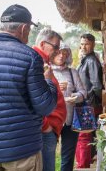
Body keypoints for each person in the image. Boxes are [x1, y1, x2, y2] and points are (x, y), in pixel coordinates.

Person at [0, 4, 58, 171]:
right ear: (23, 28)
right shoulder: (29, 57)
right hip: (21, 151)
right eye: (29, 29)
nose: (29, 34)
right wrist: (49, 81)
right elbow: (45, 107)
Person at [33, 28, 67, 171]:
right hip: (46, 131)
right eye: (55, 47)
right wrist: (47, 127)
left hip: (49, 129)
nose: (58, 51)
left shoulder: (42, 62)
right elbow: (34, 100)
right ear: (42, 44)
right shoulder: (36, 62)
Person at [50, 43, 87, 171]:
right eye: (59, 52)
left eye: (65, 53)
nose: (62, 56)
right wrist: (55, 89)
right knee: (48, 155)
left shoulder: (72, 72)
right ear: (53, 53)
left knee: (68, 156)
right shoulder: (45, 70)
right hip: (51, 120)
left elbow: (83, 92)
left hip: (70, 120)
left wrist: (74, 96)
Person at [75, 33, 103, 168]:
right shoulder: (85, 59)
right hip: (85, 102)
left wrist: (87, 99)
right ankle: (86, 161)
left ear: (93, 45)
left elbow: (97, 86)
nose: (83, 46)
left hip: (89, 103)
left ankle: (83, 165)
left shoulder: (91, 61)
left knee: (84, 135)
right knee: (87, 134)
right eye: (82, 44)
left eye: (86, 43)